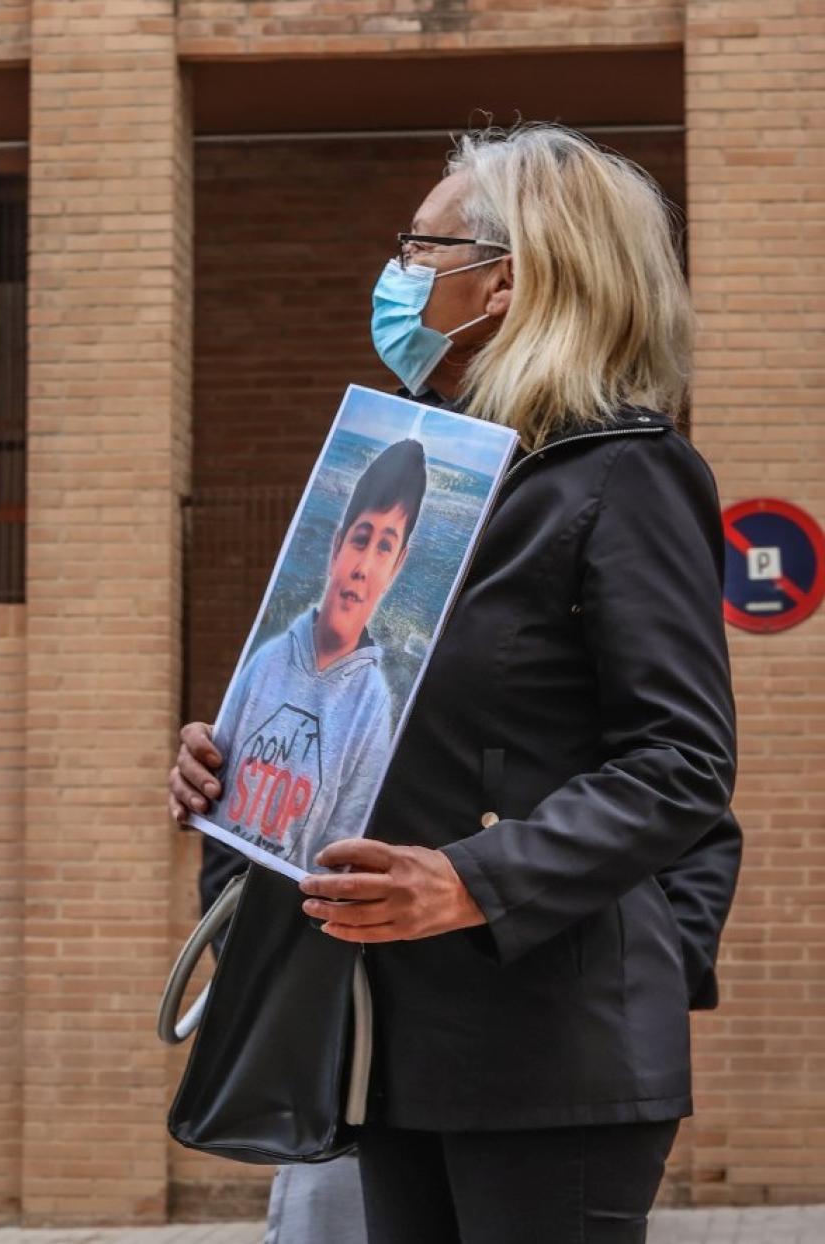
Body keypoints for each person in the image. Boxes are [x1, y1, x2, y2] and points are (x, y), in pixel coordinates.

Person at [173, 123, 737, 1244]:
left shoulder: (628, 473)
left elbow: (682, 765)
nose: (398, 273)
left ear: (508, 282)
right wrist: (247, 758)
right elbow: (391, 722)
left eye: (422, 247)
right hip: (397, 1038)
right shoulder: (435, 482)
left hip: (548, 1053)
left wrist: (474, 877)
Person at [207, 438, 428, 873]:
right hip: (229, 909)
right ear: (336, 547)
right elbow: (214, 791)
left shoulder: (372, 704)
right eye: (360, 539)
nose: (364, 566)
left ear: (397, 567)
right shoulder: (268, 659)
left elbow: (344, 847)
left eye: (384, 547)